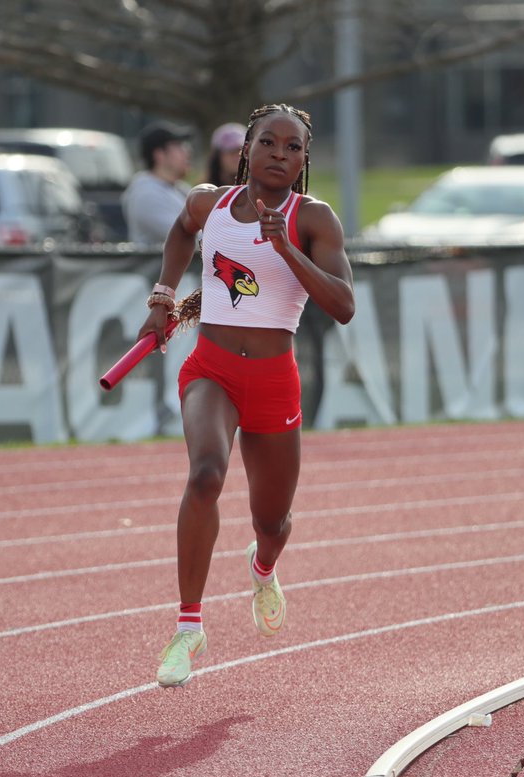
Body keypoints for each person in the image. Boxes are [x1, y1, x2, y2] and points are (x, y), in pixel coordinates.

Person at [140, 102, 355, 688]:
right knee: (206, 475)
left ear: (305, 160)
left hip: (273, 381)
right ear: (246, 151)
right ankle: (189, 626)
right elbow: (182, 232)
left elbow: (343, 307)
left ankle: (263, 568)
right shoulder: (209, 203)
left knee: (274, 521)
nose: (280, 154)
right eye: (268, 142)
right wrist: (163, 297)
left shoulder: (314, 220)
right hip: (210, 369)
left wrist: (285, 248)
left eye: (293, 147)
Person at [121, 120, 193, 245]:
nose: (187, 152)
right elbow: (185, 237)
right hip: (159, 265)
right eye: (178, 146)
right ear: (159, 155)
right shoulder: (146, 195)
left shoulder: (180, 188)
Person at [204, 122, 247, 187]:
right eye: (231, 151)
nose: (237, 156)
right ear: (218, 156)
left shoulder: (257, 190)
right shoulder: (205, 191)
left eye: (241, 151)